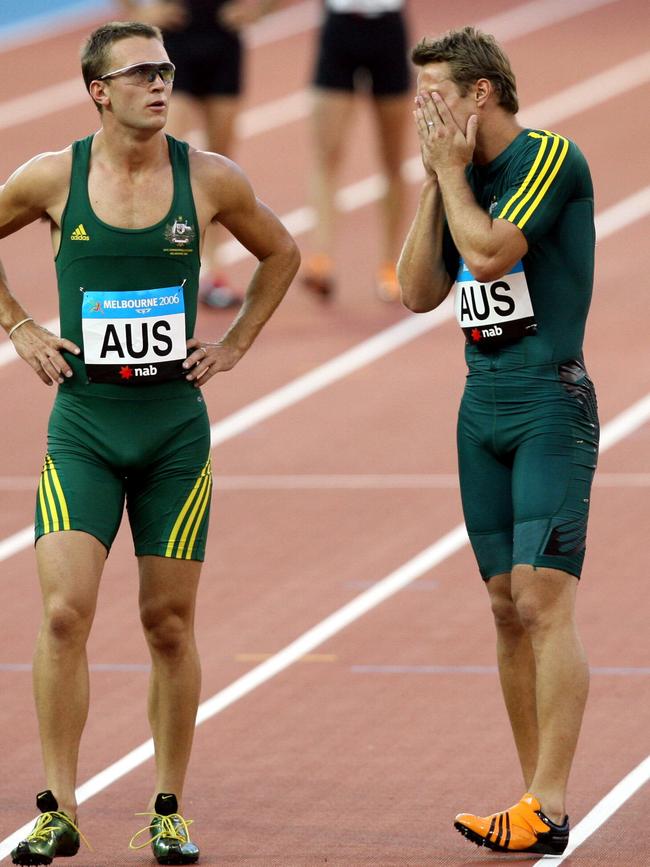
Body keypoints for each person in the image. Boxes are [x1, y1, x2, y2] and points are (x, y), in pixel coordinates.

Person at [1, 20, 298, 866]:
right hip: (86, 425)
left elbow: (280, 253)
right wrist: (19, 323)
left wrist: (234, 344)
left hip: (173, 429)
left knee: (168, 624)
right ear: (98, 90)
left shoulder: (206, 179)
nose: (160, 84)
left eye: (164, 71)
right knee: (64, 612)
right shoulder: (53, 176)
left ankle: (168, 804)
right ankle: (58, 805)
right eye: (139, 74)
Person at [398, 27, 598, 856]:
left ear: (481, 92)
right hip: (479, 411)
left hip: (549, 402)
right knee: (502, 608)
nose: (423, 111)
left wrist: (449, 175)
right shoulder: (458, 177)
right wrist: (430, 183)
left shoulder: (549, 155)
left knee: (542, 602)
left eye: (434, 94)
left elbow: (486, 256)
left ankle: (548, 802)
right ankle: (530, 799)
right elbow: (415, 291)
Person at [116, 0, 277, 310]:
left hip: (223, 40)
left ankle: (213, 271)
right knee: (164, 157)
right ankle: (153, 265)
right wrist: (138, 13)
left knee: (217, 168)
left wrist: (263, 10)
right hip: (174, 42)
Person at [301, 0, 411, 302]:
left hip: (387, 27)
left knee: (392, 159)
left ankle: (391, 264)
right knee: (327, 153)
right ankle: (320, 259)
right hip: (339, 27)